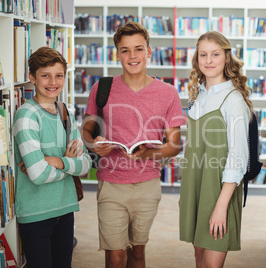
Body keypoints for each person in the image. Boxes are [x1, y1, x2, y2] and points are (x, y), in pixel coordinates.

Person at [81, 22, 185, 268]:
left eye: (138, 49)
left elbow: (174, 146)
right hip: (111, 184)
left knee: (137, 253)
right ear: (117, 54)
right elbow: (86, 130)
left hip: (147, 186)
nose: (132, 56)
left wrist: (148, 152)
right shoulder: (102, 88)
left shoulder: (168, 93)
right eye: (125, 50)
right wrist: (94, 143)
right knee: (115, 256)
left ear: (149, 52)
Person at [13, 47, 92, 268]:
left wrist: (57, 161)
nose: (53, 82)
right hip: (36, 213)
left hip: (65, 208)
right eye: (45, 75)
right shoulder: (27, 116)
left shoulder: (64, 112)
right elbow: (37, 175)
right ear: (32, 78)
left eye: (58, 75)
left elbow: (85, 163)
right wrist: (69, 165)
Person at [179, 31, 252, 267]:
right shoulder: (197, 96)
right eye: (203, 54)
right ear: (197, 59)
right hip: (195, 188)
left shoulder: (233, 101)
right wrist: (187, 192)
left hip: (219, 191)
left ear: (226, 58)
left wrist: (221, 206)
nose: (208, 60)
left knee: (212, 262)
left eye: (215, 54)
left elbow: (238, 158)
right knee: (199, 258)